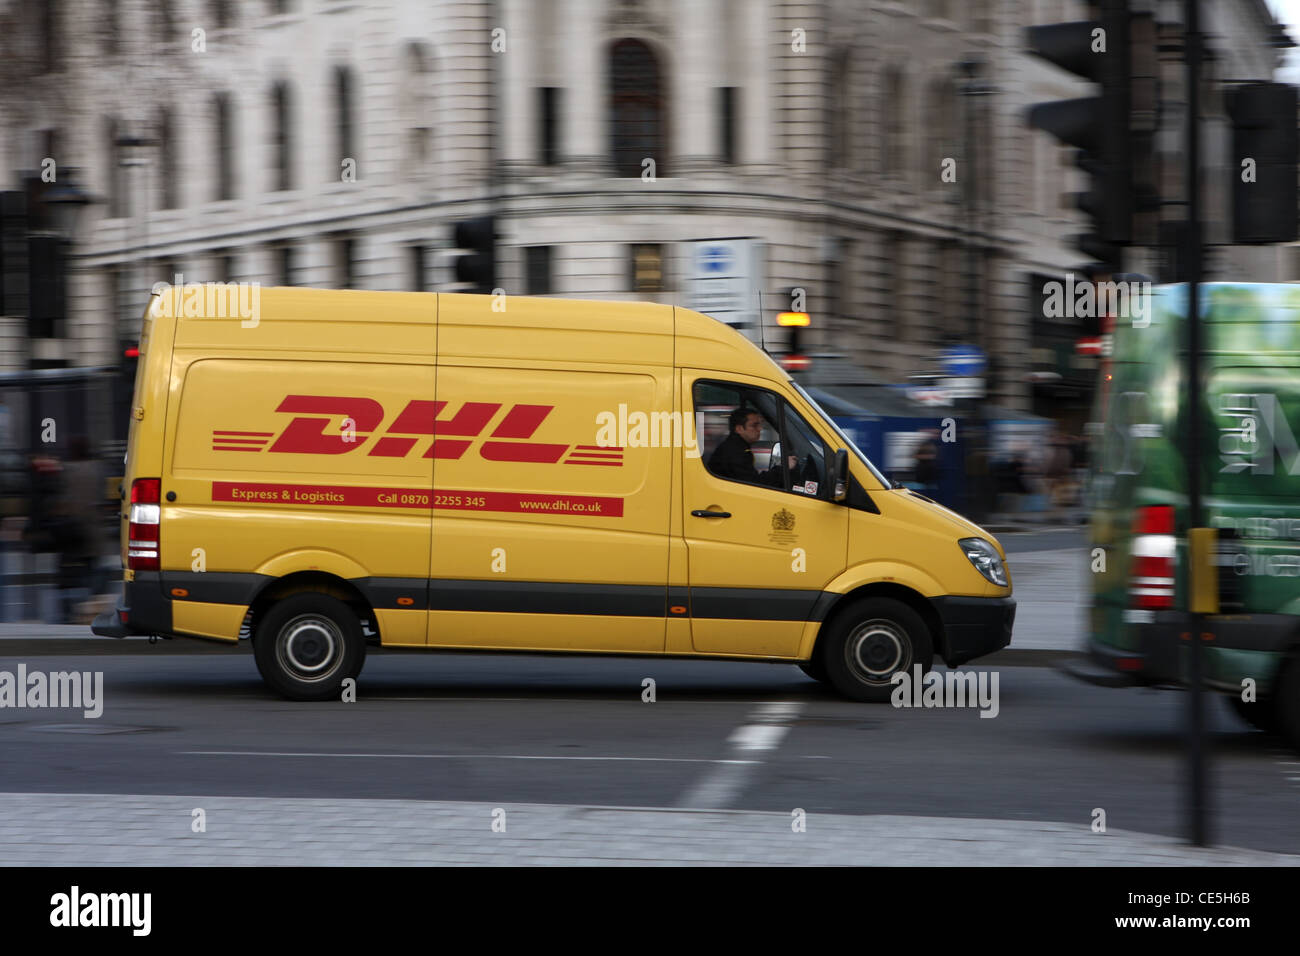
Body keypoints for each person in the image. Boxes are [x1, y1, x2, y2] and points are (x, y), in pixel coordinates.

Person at [708, 407, 796, 488]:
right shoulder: (735, 452)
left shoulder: (737, 446)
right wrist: (783, 468)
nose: (760, 429)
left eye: (760, 425)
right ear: (739, 429)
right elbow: (755, 484)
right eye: (754, 425)